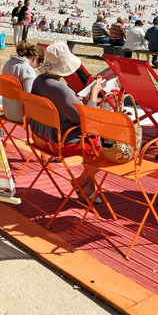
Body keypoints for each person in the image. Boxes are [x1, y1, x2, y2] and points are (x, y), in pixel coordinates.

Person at [30, 43, 104, 202]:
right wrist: (94, 94)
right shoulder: (60, 89)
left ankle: (87, 186)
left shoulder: (38, 81)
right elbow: (86, 119)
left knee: (93, 142)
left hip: (40, 138)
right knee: (102, 152)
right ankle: (80, 182)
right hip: (60, 143)